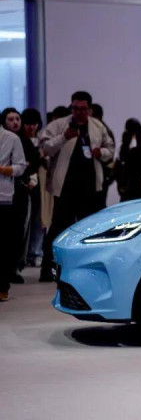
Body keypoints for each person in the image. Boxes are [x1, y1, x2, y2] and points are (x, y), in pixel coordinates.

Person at [39, 91, 115, 281]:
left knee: (90, 230)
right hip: (65, 187)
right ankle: (48, 269)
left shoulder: (98, 126)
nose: (79, 112)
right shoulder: (59, 125)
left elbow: (111, 149)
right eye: (75, 108)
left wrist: (101, 153)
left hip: (90, 188)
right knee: (57, 229)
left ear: (89, 109)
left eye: (82, 109)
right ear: (71, 108)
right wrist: (63, 137)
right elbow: (45, 148)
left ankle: (88, 270)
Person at [1, 108, 40, 284]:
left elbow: (32, 164)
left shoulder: (23, 141)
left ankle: (13, 267)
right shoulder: (5, 140)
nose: (15, 122)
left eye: (17, 118)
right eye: (10, 119)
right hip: (5, 192)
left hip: (21, 192)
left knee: (18, 232)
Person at [0, 122, 26, 301]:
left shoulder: (11, 138)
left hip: (3, 197)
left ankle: (2, 285)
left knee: (4, 245)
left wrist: (4, 169)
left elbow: (20, 167)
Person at [21, 108, 45, 268]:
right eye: (28, 124)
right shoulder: (20, 141)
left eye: (34, 124)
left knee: (39, 219)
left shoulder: (42, 140)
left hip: (41, 183)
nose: (31, 127)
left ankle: (35, 252)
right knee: (27, 220)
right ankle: (26, 253)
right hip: (27, 182)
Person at [90, 103, 116, 209]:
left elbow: (110, 152)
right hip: (99, 173)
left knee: (98, 204)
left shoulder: (102, 130)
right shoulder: (101, 129)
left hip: (101, 173)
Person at [114, 118, 141, 202]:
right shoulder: (137, 144)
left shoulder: (121, 145)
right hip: (135, 181)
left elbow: (116, 161)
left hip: (125, 183)